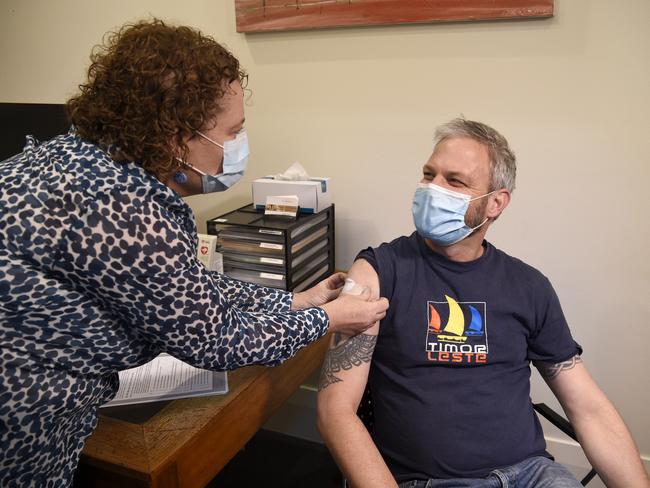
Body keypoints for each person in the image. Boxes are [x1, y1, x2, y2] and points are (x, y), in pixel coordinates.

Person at [0, 20, 388, 487]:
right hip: (21, 424)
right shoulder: (123, 208)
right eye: (232, 131)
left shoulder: (74, 157)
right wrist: (330, 319)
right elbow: (217, 340)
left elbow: (183, 285)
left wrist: (291, 301)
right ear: (176, 135)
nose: (238, 146)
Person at [317, 118, 649, 488]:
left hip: (530, 475)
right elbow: (336, 409)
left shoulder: (529, 286)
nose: (432, 188)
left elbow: (589, 410)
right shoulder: (378, 273)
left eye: (454, 181)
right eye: (429, 175)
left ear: (495, 203)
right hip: (423, 480)